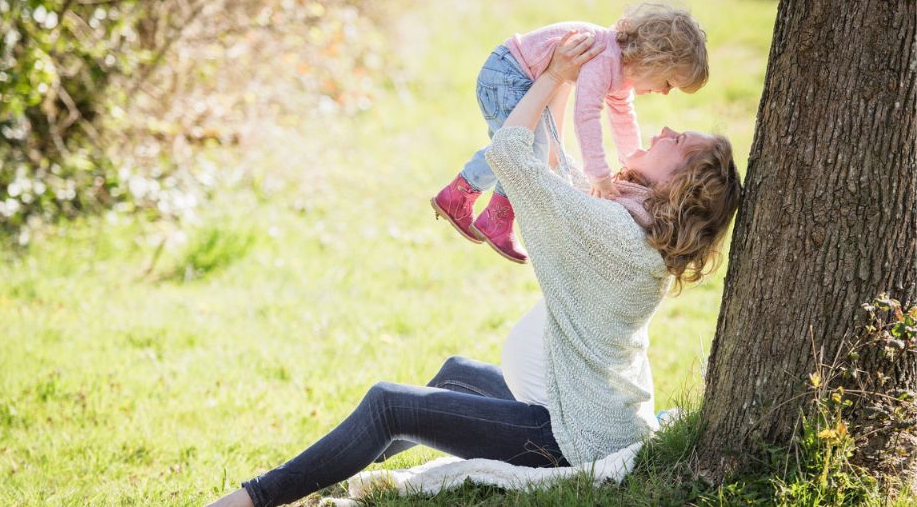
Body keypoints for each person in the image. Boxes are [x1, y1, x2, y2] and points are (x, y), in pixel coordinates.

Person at [208, 32, 740, 507]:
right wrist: (559, 80)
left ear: (681, 185)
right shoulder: (629, 220)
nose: (666, 127)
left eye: (678, 142)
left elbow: (512, 154)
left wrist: (554, 74)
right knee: (454, 374)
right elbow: (556, 168)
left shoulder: (613, 233)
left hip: (565, 436)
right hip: (573, 407)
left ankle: (253, 499)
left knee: (389, 404)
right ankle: (324, 475)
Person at [431, 3, 709, 264]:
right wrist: (598, 174)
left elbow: (623, 118)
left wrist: (631, 161)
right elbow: (586, 115)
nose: (663, 92)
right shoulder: (606, 59)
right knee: (523, 148)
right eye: (669, 83)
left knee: (523, 147)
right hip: (507, 74)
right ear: (655, 61)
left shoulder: (622, 71)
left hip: (514, 75)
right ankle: (490, 214)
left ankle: (467, 201)